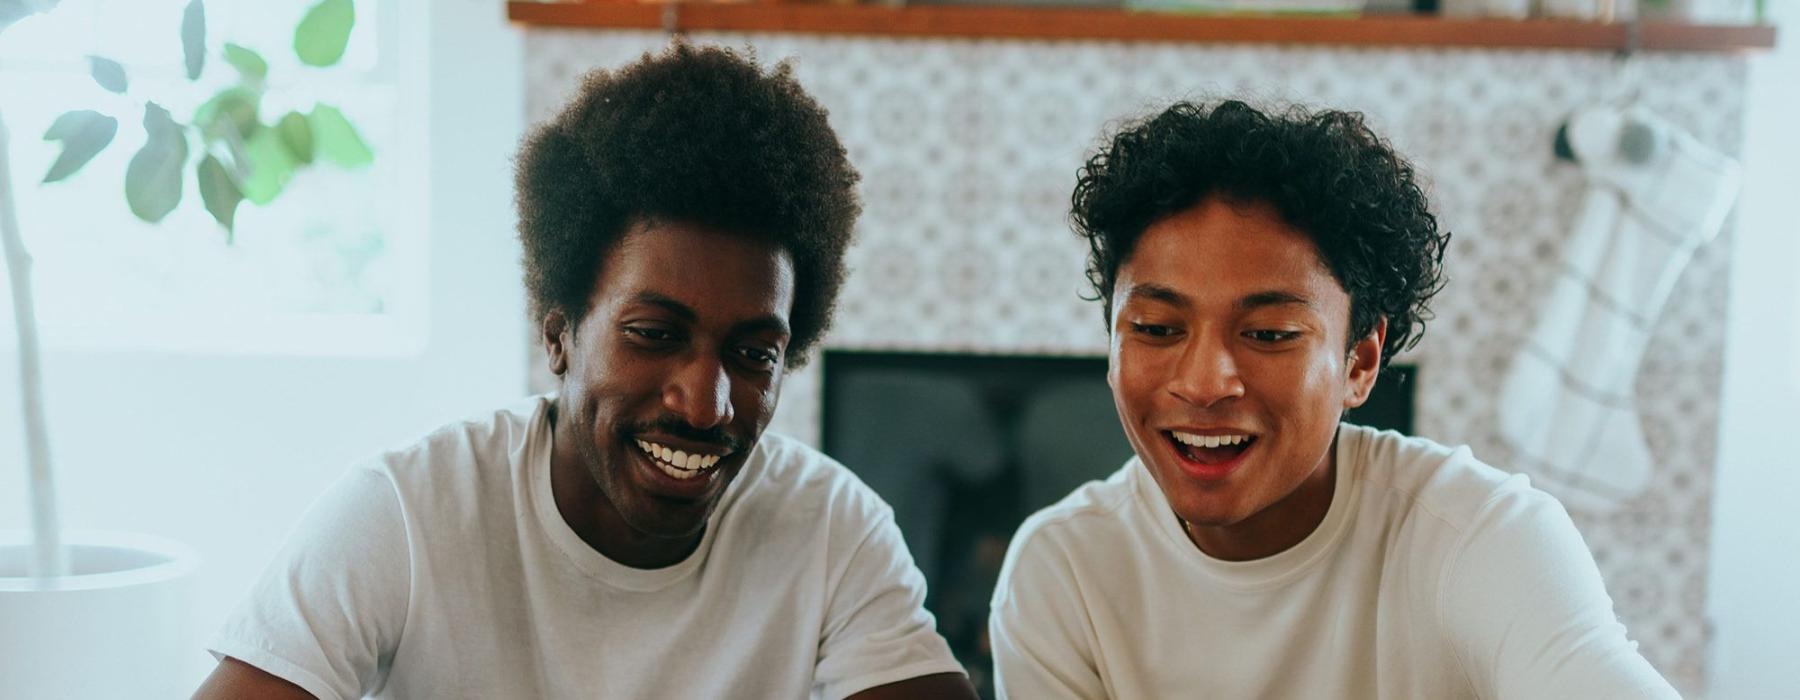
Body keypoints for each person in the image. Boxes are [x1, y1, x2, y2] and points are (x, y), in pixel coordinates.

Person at [195, 44, 976, 700]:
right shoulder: (407, 513)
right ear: (560, 336)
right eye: (655, 334)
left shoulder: (831, 529)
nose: (705, 405)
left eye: (752, 355)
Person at [988, 100, 1678, 699]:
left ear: (1360, 361)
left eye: (1268, 333)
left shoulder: (1478, 537)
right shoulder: (1064, 572)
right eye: (1156, 330)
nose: (1201, 383)